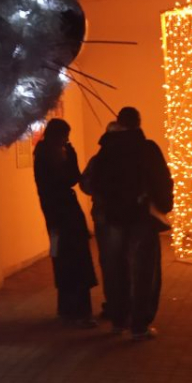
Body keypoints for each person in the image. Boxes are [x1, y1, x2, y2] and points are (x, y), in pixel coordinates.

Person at [82, 106, 173, 339]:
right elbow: (162, 179)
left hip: (110, 218)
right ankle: (139, 324)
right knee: (144, 270)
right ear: (138, 123)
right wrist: (163, 205)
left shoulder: (105, 151)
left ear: (119, 122)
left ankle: (118, 319)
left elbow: (89, 183)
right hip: (141, 215)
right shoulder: (147, 149)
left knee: (114, 268)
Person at [33, 118, 98, 325]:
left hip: (55, 219)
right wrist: (72, 157)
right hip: (65, 217)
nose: (66, 141)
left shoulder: (42, 154)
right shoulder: (50, 157)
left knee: (62, 260)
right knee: (76, 262)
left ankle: (67, 309)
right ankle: (80, 312)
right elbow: (70, 178)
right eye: (65, 136)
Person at [80, 120, 123, 319]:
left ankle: (114, 305)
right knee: (124, 262)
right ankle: (124, 305)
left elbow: (85, 184)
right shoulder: (129, 158)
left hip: (104, 215)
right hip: (123, 216)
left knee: (109, 262)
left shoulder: (98, 159)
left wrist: (99, 192)